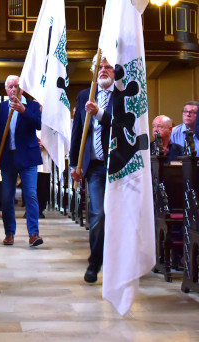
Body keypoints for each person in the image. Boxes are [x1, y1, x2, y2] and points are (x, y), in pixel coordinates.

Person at [69, 57, 115, 283]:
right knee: (98, 214)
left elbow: (123, 125)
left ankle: (118, 263)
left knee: (118, 216)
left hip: (118, 165)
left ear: (116, 72)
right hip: (94, 166)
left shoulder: (124, 96)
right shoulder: (84, 95)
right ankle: (94, 263)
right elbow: (78, 131)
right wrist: (73, 165)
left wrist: (99, 113)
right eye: (99, 68)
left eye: (108, 67)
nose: (103, 71)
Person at [0, 75, 43, 247]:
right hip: (7, 159)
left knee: (31, 195)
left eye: (16, 86)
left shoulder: (32, 105)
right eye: (10, 87)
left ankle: (33, 234)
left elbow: (39, 124)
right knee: (7, 198)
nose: (13, 89)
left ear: (22, 89)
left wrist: (23, 111)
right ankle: (9, 233)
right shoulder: (0, 109)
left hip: (27, 158)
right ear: (5, 90)